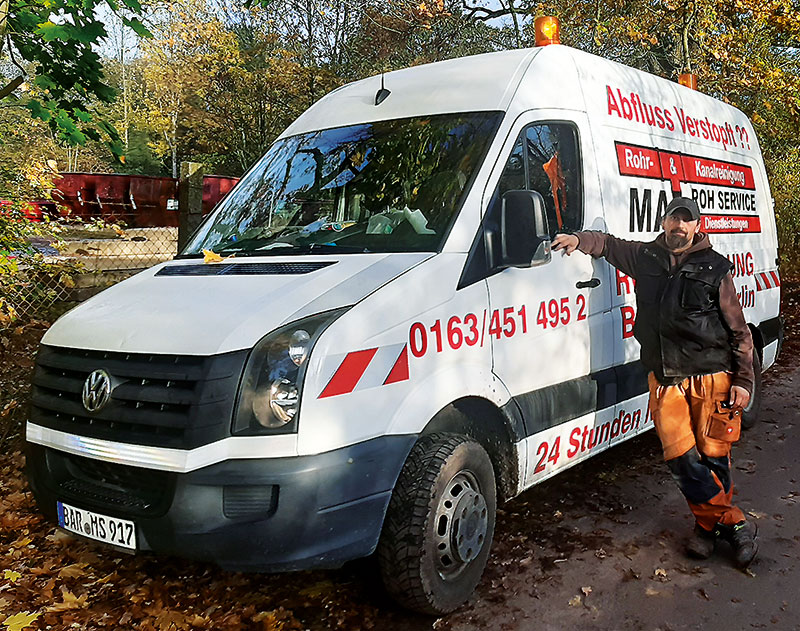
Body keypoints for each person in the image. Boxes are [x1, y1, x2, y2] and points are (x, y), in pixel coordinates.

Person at [552, 196, 758, 568]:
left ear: (698, 226)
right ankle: (733, 522)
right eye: (673, 219)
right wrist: (579, 240)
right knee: (679, 457)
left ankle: (705, 529)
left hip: (712, 375)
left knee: (715, 456)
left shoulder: (716, 268)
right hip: (665, 377)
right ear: (663, 222)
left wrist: (744, 380)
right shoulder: (645, 257)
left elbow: (739, 331)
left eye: (686, 220)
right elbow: (610, 245)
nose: (678, 226)